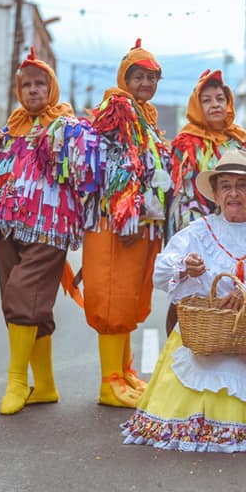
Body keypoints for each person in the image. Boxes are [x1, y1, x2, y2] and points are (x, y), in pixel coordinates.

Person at [121, 150, 246, 452]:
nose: (233, 193)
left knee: (241, 400)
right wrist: (185, 266)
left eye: (241, 186)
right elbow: (161, 272)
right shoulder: (196, 232)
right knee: (188, 392)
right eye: (225, 186)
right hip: (205, 336)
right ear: (216, 194)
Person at [0, 47, 98, 415]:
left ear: (52, 87)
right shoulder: (10, 129)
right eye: (26, 85)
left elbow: (86, 171)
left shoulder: (69, 128)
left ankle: (16, 381)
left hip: (49, 228)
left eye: (41, 84)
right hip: (8, 224)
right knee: (23, 299)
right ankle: (46, 386)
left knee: (23, 296)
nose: (33, 91)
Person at [82, 38, 172, 408]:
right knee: (113, 297)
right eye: (138, 76)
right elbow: (116, 166)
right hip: (116, 222)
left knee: (130, 297)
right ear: (124, 78)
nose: (145, 84)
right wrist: (128, 213)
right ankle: (109, 382)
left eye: (152, 78)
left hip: (140, 222)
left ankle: (125, 371)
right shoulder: (117, 109)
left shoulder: (143, 117)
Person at [164, 68, 246, 334]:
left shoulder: (240, 143)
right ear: (197, 106)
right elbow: (181, 193)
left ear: (228, 104)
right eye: (207, 100)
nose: (215, 105)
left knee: (226, 286)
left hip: (234, 226)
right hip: (197, 226)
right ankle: (181, 346)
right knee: (192, 290)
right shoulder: (185, 143)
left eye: (220, 99)